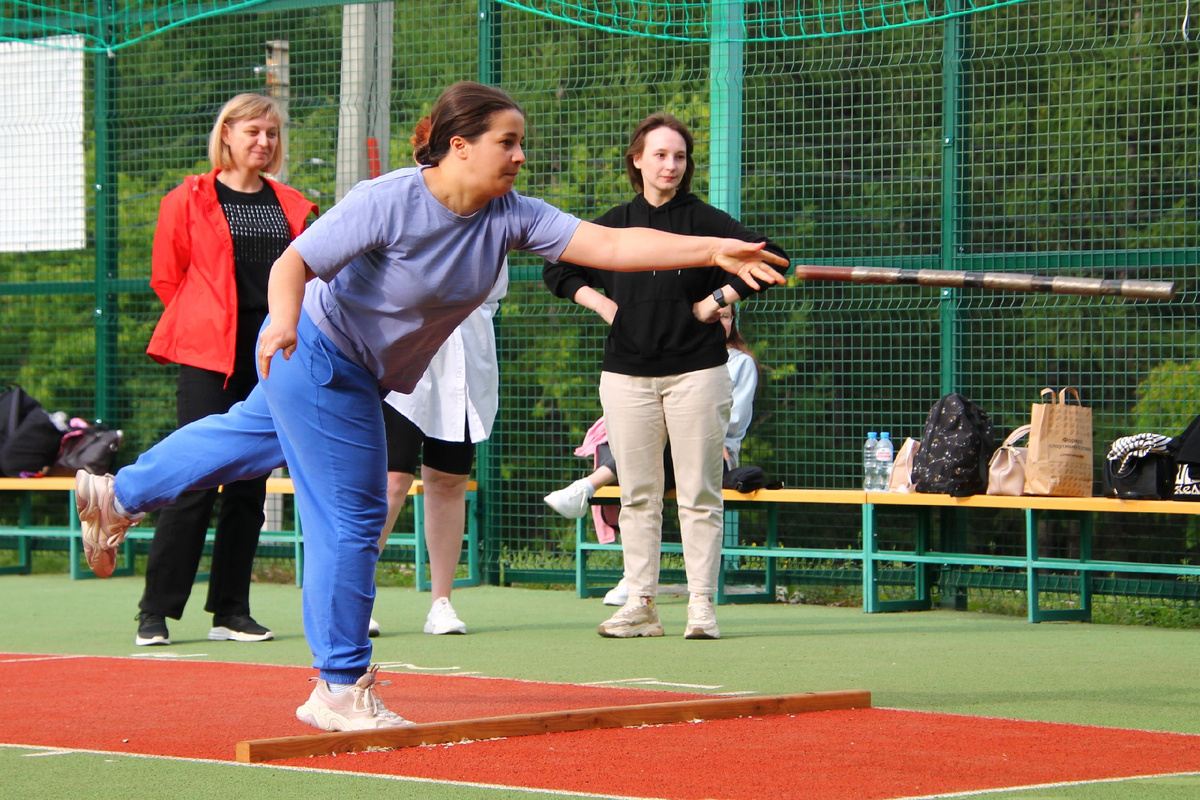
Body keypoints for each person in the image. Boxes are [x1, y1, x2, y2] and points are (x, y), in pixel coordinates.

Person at [74, 82, 787, 732]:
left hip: (354, 369)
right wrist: (286, 322)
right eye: (507, 142)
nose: (519, 155)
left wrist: (719, 247)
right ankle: (340, 685)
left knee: (243, 438)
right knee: (352, 514)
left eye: (520, 143)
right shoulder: (391, 199)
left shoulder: (510, 216)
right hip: (317, 354)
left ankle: (118, 493)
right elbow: (294, 262)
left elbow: (612, 242)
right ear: (459, 146)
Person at [543, 112, 787, 640]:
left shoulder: (708, 221)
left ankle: (701, 605)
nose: (670, 165)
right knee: (636, 494)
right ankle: (642, 604)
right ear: (637, 160)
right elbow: (557, 266)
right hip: (626, 377)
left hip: (697, 374)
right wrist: (605, 307)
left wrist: (714, 301)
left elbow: (776, 259)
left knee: (699, 492)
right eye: (659, 154)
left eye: (679, 156)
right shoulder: (611, 225)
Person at [135, 94, 317, 647]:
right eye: (254, 131)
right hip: (207, 355)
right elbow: (168, 278)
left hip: (273, 355)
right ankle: (156, 611)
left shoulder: (293, 204)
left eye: (272, 134)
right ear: (228, 134)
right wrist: (206, 322)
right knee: (194, 476)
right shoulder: (186, 198)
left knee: (248, 486)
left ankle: (231, 612)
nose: (264, 142)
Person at [543, 303, 758, 607]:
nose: (720, 321)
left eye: (725, 316)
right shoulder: (684, 357)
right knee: (644, 462)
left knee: (662, 454)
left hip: (715, 451)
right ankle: (635, 579)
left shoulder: (740, 363)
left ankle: (587, 487)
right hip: (665, 447)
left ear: (733, 321)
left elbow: (732, 417)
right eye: (715, 315)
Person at [371, 263, 507, 638]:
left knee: (448, 481)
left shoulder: (490, 224)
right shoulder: (403, 212)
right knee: (391, 480)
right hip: (401, 357)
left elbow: (492, 294)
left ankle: (441, 603)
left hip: (465, 363)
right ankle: (355, 599)